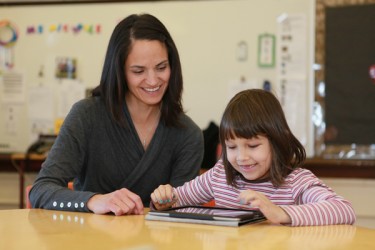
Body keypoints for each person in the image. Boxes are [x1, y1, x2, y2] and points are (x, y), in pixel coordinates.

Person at [29, 13, 204, 216]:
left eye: (161, 67)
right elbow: (40, 191)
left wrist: (170, 204)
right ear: (119, 72)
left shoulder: (188, 135)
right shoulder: (86, 116)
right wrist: (93, 201)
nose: (153, 80)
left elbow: (181, 215)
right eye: (138, 71)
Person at [151, 89, 356, 226]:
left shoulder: (296, 182)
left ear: (276, 141)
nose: (242, 157)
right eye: (231, 147)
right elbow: (178, 200)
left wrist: (280, 213)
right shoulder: (219, 175)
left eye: (253, 145)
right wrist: (164, 199)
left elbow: (344, 210)